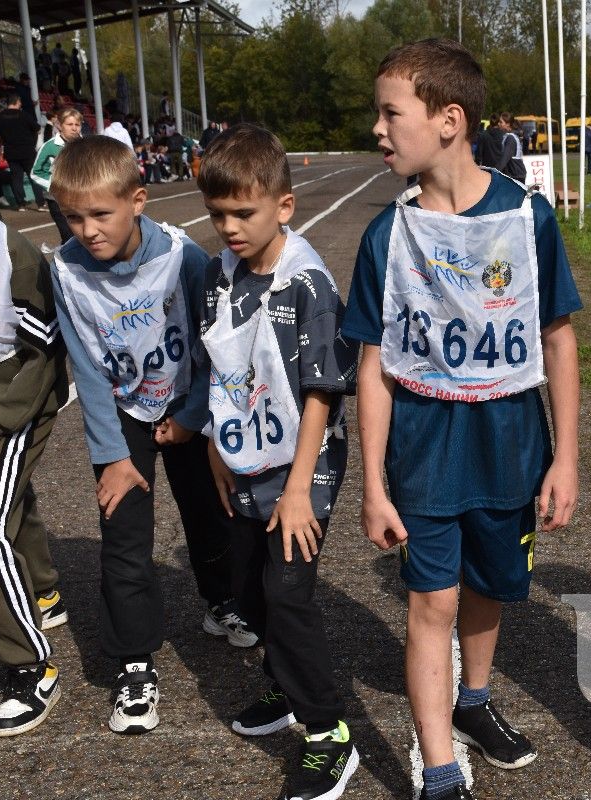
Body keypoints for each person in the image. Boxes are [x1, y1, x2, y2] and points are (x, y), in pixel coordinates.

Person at [346, 38, 581, 800]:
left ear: (450, 120)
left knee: (490, 586)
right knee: (431, 603)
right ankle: (439, 765)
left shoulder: (527, 217)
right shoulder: (389, 234)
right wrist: (374, 483)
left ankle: (473, 702)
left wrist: (567, 457)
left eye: (391, 113)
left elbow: (557, 337)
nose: (378, 130)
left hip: (510, 446)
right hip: (423, 451)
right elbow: (373, 365)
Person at [48, 136, 251, 736]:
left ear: (137, 201)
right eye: (74, 216)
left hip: (187, 404)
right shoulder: (65, 270)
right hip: (122, 415)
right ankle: (134, 663)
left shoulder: (184, 259)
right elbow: (84, 365)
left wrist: (191, 416)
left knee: (209, 513)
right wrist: (109, 454)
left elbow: (213, 343)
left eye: (101, 214)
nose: (87, 229)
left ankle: (220, 601)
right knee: (124, 536)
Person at [197, 123, 360, 800]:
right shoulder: (217, 274)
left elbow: (323, 391)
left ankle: (329, 734)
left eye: (245, 213)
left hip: (305, 462)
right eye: (218, 214)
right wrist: (214, 443)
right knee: (248, 588)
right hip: (242, 455)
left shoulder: (308, 285)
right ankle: (282, 685)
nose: (230, 227)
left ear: (283, 207)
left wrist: (298, 490)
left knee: (289, 594)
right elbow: (219, 364)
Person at [0, 208, 71, 739]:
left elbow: (41, 355)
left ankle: (30, 665)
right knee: (6, 498)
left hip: (16, 395)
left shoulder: (9, 251)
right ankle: (42, 589)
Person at [32, 107, 84, 243]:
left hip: (81, 195)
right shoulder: (49, 146)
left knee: (83, 232)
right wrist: (54, 186)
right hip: (57, 199)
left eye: (77, 125)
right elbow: (36, 172)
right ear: (60, 126)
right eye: (70, 124)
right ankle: (65, 262)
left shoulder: (85, 145)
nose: (74, 128)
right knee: (68, 235)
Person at [0, 93, 45, 213]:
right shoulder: (24, 115)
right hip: (27, 150)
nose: (21, 104)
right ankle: (40, 204)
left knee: (16, 178)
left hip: (11, 151)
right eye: (20, 102)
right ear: (17, 102)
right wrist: (32, 142)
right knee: (33, 177)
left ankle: (21, 204)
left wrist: (5, 142)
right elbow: (37, 129)